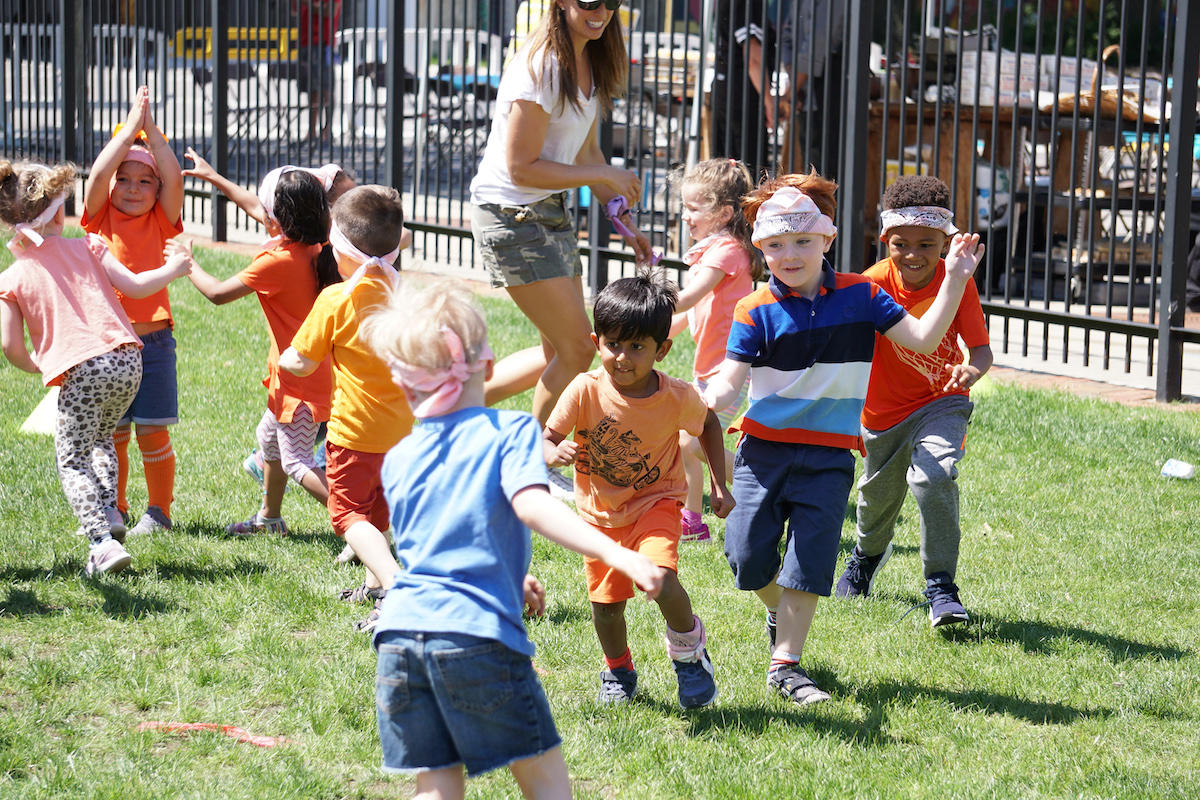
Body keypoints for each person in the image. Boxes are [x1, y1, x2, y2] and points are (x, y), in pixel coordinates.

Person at [354, 280, 663, 800]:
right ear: (490, 366)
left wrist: (510, 576)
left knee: (436, 784)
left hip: (401, 635)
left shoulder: (401, 456)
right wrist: (615, 551)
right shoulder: (510, 432)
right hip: (475, 639)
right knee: (543, 777)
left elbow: (433, 546)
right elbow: (532, 506)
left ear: (405, 385)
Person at [702, 171, 983, 705]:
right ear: (761, 248)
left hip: (831, 457)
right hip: (761, 453)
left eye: (803, 241)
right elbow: (728, 382)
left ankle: (786, 665)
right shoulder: (753, 308)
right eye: (777, 245)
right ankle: (774, 610)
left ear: (827, 241)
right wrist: (706, 398)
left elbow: (923, 340)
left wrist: (955, 278)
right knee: (744, 557)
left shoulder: (861, 295)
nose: (791, 255)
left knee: (808, 564)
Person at [543, 271, 734, 708]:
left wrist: (720, 486)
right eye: (613, 345)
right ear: (597, 342)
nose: (623, 358)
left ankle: (689, 657)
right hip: (599, 518)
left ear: (662, 349)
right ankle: (618, 670)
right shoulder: (584, 389)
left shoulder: (676, 397)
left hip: (656, 503)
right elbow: (546, 438)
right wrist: (551, 452)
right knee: (607, 607)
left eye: (637, 347)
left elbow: (707, 423)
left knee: (661, 580)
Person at [469, 0, 653, 427]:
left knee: (559, 350)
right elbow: (521, 166)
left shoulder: (589, 59)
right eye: (589, 1)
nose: (601, 11)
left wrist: (622, 218)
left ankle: (455, 407)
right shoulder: (540, 66)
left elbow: (585, 151)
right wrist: (603, 171)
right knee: (577, 348)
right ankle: (535, 457)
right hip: (510, 213)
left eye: (612, 2)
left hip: (547, 208)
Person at [0, 160, 190, 576]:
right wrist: (175, 269)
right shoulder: (90, 245)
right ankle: (111, 512)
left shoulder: (12, 277)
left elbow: (9, 345)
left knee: (72, 460)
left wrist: (36, 365)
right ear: (58, 213)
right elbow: (137, 287)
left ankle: (101, 542)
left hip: (81, 371)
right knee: (103, 438)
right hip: (128, 358)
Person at [835, 176, 992, 627]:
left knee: (934, 476)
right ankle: (865, 558)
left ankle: (942, 587)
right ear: (885, 240)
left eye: (927, 243)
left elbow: (981, 350)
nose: (913, 255)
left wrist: (972, 371)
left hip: (942, 403)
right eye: (901, 243)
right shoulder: (873, 284)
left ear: (945, 241)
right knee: (875, 502)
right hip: (882, 416)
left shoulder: (957, 280)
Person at [169, 170, 342, 535]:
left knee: (296, 462)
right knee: (269, 441)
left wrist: (187, 262)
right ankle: (270, 518)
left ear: (275, 219)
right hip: (306, 374)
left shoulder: (278, 261)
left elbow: (216, 293)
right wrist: (212, 176)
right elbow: (254, 205)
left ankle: (358, 519)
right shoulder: (319, 242)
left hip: (301, 384)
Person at [279, 185, 413, 626]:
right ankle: (376, 584)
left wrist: (288, 357)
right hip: (405, 433)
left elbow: (299, 362)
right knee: (377, 509)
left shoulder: (336, 299)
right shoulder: (403, 295)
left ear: (342, 253)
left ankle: (394, 583)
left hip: (355, 432)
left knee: (348, 515)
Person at [81, 86, 185, 537]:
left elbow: (174, 177)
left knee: (153, 432)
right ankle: (116, 507)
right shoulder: (98, 216)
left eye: (145, 181)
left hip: (155, 344)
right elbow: (98, 174)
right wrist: (128, 129)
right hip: (108, 341)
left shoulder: (162, 219)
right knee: (115, 433)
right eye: (125, 179)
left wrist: (150, 131)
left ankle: (158, 512)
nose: (132, 189)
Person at [668, 158, 763, 542]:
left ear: (724, 213)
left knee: (693, 440)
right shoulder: (712, 249)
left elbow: (689, 299)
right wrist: (658, 332)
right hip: (709, 367)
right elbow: (693, 315)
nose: (685, 216)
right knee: (686, 440)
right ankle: (694, 519)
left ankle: (756, 490)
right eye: (684, 207)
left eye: (694, 208)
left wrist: (643, 305)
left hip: (732, 367)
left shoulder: (726, 251)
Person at [710, 0, 777, 180]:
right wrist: (769, 103)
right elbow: (753, 59)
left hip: (725, 92)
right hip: (743, 99)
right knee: (748, 173)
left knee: (725, 173)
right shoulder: (748, 5)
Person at [291, 0, 342, 143]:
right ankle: (312, 131)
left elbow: (329, 12)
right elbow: (295, 10)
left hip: (322, 43)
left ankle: (327, 129)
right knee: (311, 90)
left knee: (326, 89)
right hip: (305, 43)